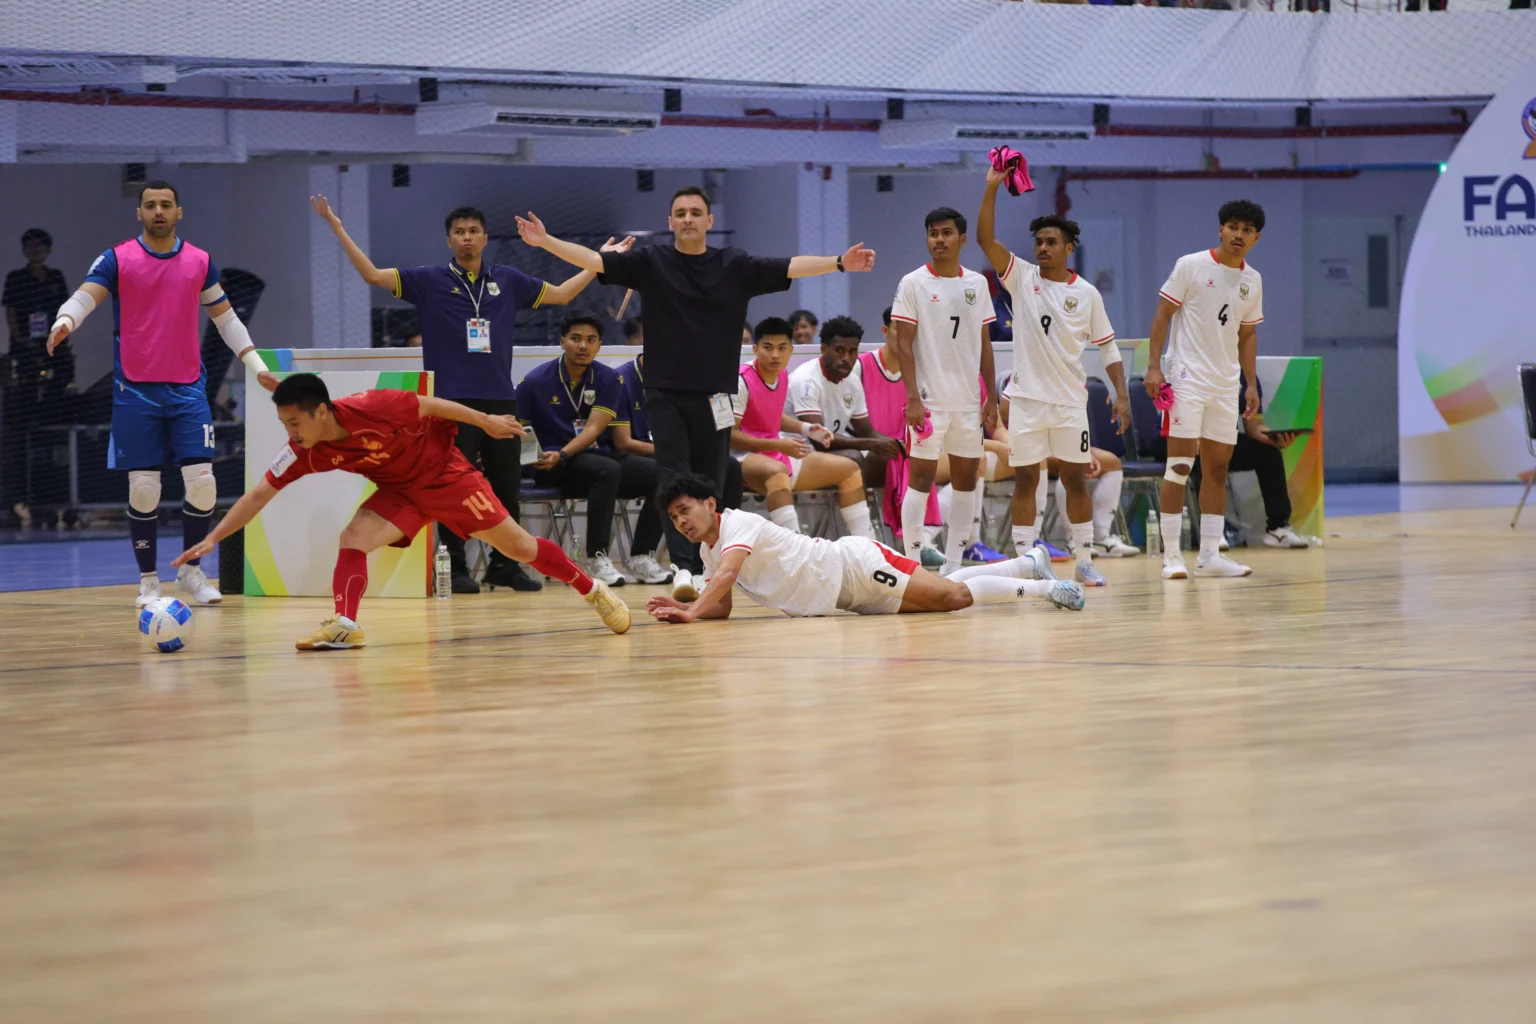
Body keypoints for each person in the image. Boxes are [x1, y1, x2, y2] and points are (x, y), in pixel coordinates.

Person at [515, 186, 874, 604]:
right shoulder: (652, 262)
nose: (687, 218)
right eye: (679, 213)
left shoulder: (734, 265)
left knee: (713, 481)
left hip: (716, 397)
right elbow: (594, 261)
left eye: (695, 212)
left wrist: (838, 263)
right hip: (666, 392)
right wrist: (545, 242)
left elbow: (790, 266)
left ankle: (709, 564)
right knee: (672, 476)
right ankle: (684, 567)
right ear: (670, 223)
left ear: (708, 221)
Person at [173, 373, 630, 648]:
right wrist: (214, 537)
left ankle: (591, 589)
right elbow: (256, 497)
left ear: (322, 411)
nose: (291, 433)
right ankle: (346, 623)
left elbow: (433, 405)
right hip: (399, 491)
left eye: (295, 422)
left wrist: (486, 421)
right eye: (284, 425)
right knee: (353, 538)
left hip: (447, 476)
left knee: (519, 548)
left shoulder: (374, 406)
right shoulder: (302, 451)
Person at [311, 195, 621, 595]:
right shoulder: (429, 280)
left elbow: (561, 295)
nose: (467, 238)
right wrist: (337, 227)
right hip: (450, 404)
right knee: (450, 486)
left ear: (485, 238)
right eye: (459, 232)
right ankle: (454, 567)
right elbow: (372, 275)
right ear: (449, 241)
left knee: (506, 485)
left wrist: (598, 262)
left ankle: (504, 566)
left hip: (500, 400)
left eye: (473, 231)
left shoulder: (507, 280)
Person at [45, 181, 263, 608]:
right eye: (150, 205)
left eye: (166, 205)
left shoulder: (199, 261)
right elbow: (86, 296)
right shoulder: (117, 258)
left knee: (202, 485)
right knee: (144, 489)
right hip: (135, 392)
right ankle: (148, 581)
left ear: (179, 211)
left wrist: (257, 367)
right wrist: (65, 320)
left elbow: (226, 318)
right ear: (140, 213)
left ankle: (191, 571)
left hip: (187, 390)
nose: (158, 211)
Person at [645, 474, 1083, 623]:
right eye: (674, 517)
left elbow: (724, 579)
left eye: (686, 510)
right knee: (942, 591)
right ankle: (1028, 562)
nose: (681, 521)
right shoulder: (707, 553)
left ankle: (1051, 591)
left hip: (855, 566)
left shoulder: (738, 523)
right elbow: (721, 604)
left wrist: (692, 609)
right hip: (849, 601)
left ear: (710, 504)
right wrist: (687, 610)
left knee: (950, 599)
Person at [978, 169, 1132, 588]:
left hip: (1068, 403)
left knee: (1074, 478)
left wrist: (1122, 395)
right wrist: (993, 185)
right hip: (1026, 402)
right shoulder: (1021, 278)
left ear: (1069, 247)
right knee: (1027, 479)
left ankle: (1084, 559)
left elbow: (1109, 347)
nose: (1043, 248)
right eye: (1038, 242)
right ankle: (1028, 562)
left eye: (1051, 242)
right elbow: (985, 241)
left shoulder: (1087, 294)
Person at [1145, 199, 1266, 579]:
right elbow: (1163, 314)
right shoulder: (1191, 265)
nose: (1239, 235)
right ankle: (1171, 556)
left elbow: (1247, 334)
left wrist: (1249, 383)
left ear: (1256, 237)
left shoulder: (1253, 280)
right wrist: (1153, 366)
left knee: (1217, 467)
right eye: (1233, 227)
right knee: (1180, 466)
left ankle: (1210, 555)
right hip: (1186, 379)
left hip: (1225, 384)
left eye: (1247, 230)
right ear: (1221, 229)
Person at [516, 313, 671, 585]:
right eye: (576, 339)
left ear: (599, 345)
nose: (583, 346)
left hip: (586, 457)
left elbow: (593, 429)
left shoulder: (608, 378)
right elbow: (520, 429)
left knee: (663, 472)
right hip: (551, 464)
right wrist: (535, 459)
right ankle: (597, 557)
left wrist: (565, 452)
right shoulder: (535, 381)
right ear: (563, 342)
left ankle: (641, 557)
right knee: (606, 469)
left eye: (591, 340)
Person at [889, 207, 998, 575]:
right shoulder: (913, 283)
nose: (939, 239)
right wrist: (912, 399)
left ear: (962, 239)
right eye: (933, 233)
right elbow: (904, 344)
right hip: (928, 402)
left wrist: (991, 398)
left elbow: (985, 345)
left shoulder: (977, 284)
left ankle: (954, 566)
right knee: (920, 478)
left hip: (968, 403)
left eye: (947, 233)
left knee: (968, 480)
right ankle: (914, 564)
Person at [732, 318, 875, 538]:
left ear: (790, 350)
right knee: (777, 472)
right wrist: (778, 444)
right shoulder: (740, 381)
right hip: (743, 458)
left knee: (849, 469)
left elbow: (770, 416)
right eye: (768, 348)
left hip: (777, 452)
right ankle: (795, 549)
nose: (775, 355)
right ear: (755, 348)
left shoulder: (781, 375)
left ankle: (868, 547)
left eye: (781, 348)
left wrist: (807, 429)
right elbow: (730, 437)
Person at [1187, 369, 1310, 548]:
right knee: (1207, 458)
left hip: (1225, 439)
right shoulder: (1196, 371)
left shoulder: (1247, 379)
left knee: (1269, 454)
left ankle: (1278, 528)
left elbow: (1254, 427)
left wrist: (1276, 438)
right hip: (1189, 438)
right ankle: (1212, 531)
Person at [858, 307, 942, 562]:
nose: (908, 339)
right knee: (915, 461)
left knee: (972, 463)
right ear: (885, 331)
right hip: (871, 450)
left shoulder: (922, 370)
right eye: (901, 331)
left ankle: (954, 540)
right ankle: (915, 541)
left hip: (909, 449)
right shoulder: (861, 366)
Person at [3, 228, 72, 513]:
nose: (34, 251)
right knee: (28, 379)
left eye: (39, 246)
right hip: (25, 344)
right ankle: (30, 415)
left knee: (64, 371)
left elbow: (66, 308)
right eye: (29, 246)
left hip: (54, 340)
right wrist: (19, 337)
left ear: (47, 249)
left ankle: (49, 413)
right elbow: (10, 310)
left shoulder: (55, 277)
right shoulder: (16, 278)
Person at [788, 315, 902, 487]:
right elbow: (820, 439)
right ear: (824, 349)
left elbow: (867, 432)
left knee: (886, 455)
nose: (847, 358)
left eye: (853, 351)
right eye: (840, 350)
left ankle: (873, 509)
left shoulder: (852, 381)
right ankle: (858, 509)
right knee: (852, 458)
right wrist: (871, 444)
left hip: (829, 452)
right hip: (797, 453)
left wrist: (893, 444)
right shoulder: (805, 380)